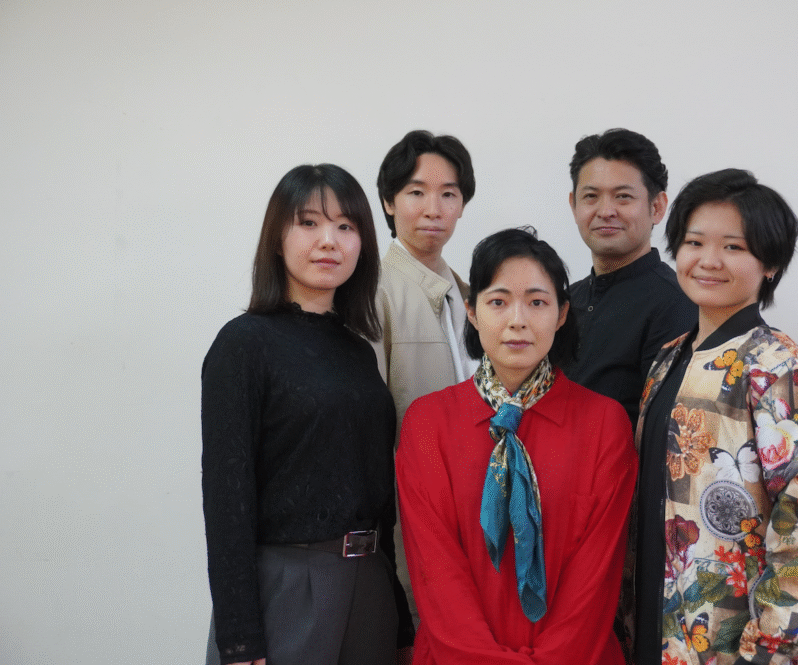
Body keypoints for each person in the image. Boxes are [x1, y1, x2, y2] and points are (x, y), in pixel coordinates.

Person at [632, 169, 798, 664]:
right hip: (654, 625)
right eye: (694, 242)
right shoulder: (669, 358)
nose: (708, 260)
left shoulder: (781, 371)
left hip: (733, 646)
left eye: (733, 247)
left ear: (770, 263)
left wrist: (772, 652)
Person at [396, 228, 638, 664]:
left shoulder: (605, 424)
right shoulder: (427, 423)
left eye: (537, 302)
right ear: (471, 312)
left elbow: (596, 581)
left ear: (562, 314)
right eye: (498, 301)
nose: (518, 320)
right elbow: (435, 573)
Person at [201, 164, 413, 665]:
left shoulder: (358, 350)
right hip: (289, 587)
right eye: (309, 223)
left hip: (370, 586)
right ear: (277, 239)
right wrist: (238, 638)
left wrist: (399, 614)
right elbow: (227, 498)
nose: (329, 241)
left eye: (346, 226)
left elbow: (378, 488)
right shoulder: (244, 343)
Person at [372, 130, 478, 629]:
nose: (434, 209)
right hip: (409, 512)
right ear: (389, 202)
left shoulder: (471, 294)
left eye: (448, 194)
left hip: (474, 510)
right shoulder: (373, 291)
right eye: (416, 192)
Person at [563, 128, 697, 429]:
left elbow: (666, 430)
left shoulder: (677, 303)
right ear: (574, 205)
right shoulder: (563, 301)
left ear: (657, 207)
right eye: (591, 196)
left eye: (623, 197)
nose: (606, 211)